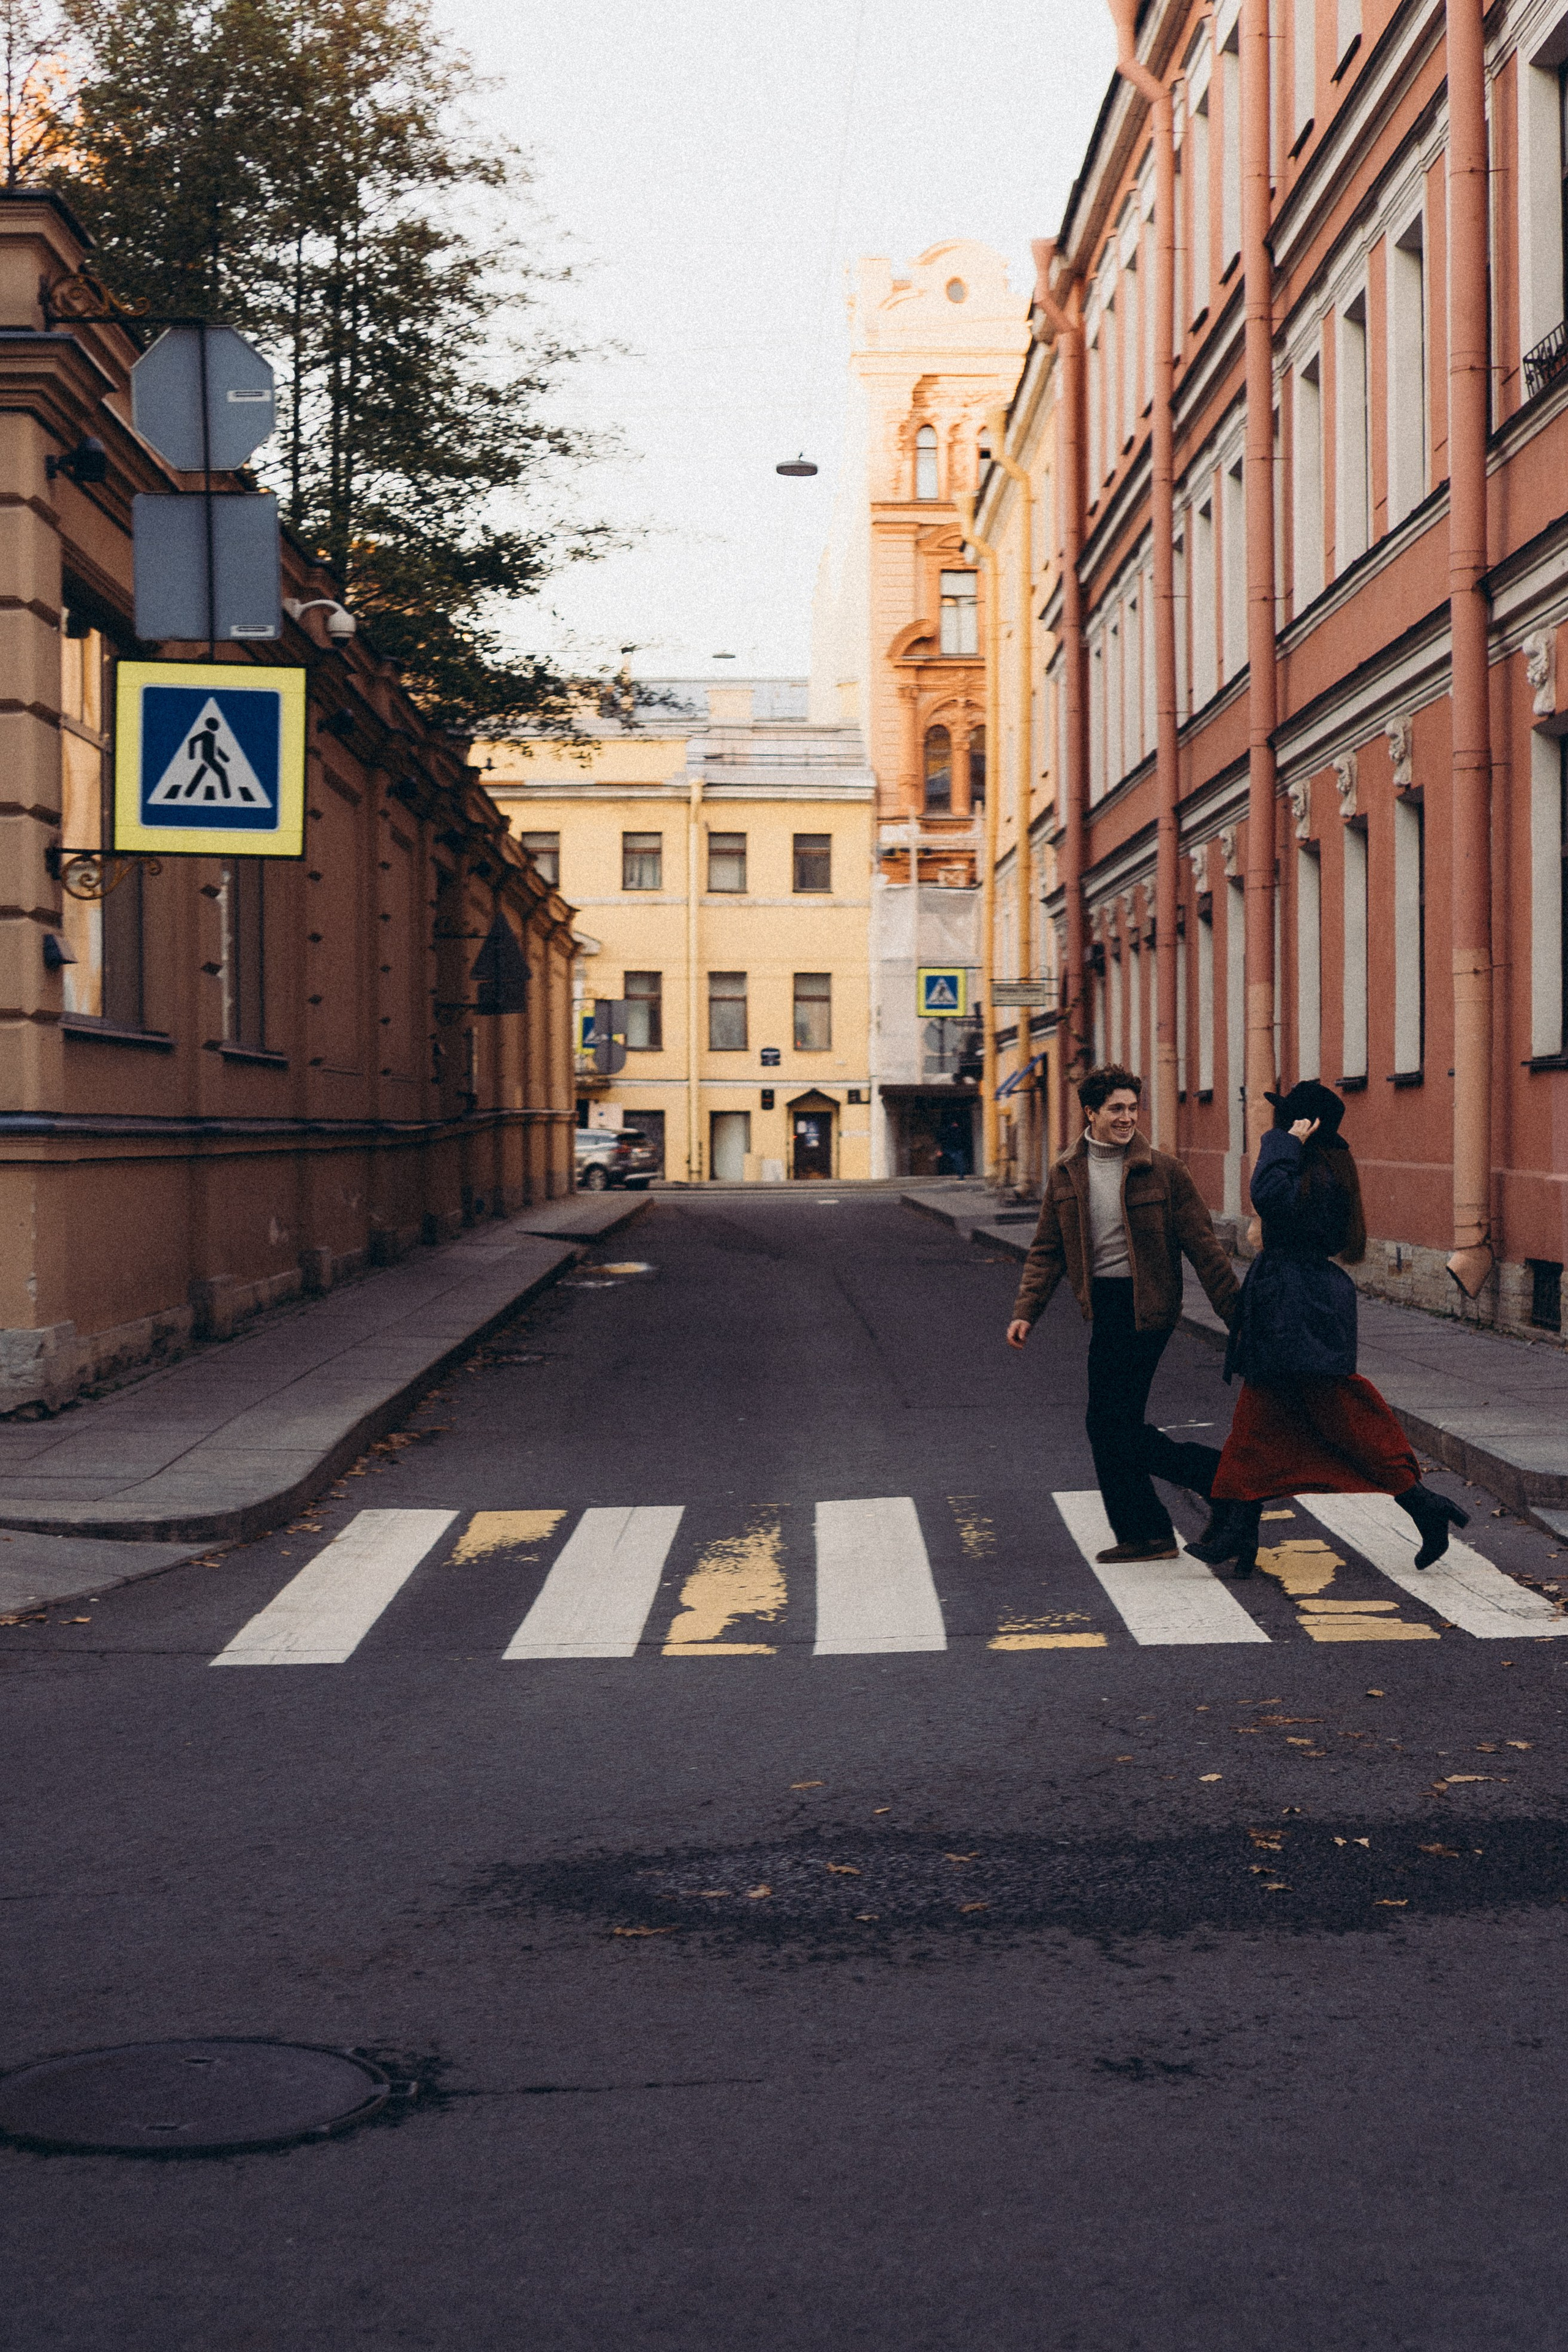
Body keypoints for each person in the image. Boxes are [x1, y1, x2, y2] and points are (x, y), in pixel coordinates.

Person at [1189, 1080, 1469, 1578]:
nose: (1276, 1127)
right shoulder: (1323, 1166)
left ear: (1305, 1125)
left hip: (1297, 1302)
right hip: (1295, 1297)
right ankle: (1240, 1527)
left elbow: (1268, 1196)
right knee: (1258, 1418)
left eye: (1287, 1120)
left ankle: (1421, 1503)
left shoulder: (1310, 1169)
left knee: (1341, 1412)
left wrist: (1284, 1143)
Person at [1006, 1065, 1241, 1564]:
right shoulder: (1068, 1172)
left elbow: (1205, 1249)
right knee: (1114, 1424)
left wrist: (1237, 1316)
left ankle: (1214, 1488)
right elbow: (1047, 1249)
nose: (1127, 1118)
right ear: (1091, 1112)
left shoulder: (1164, 1171)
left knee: (1108, 1425)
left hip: (1149, 1306)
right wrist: (1028, 1310)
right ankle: (1156, 1527)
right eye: (1116, 1108)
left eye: (1133, 1108)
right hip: (1105, 1306)